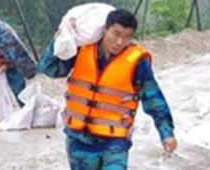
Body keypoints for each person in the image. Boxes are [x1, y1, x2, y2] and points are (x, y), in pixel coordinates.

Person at [38, 9, 177, 170]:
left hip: (115, 143)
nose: (119, 42)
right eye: (116, 34)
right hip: (79, 140)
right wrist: (62, 37)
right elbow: (49, 69)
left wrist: (166, 133)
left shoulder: (137, 61)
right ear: (105, 29)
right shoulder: (82, 49)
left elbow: (153, 98)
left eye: (126, 36)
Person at [0, 13, 38, 105]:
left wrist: (6, 65)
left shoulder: (5, 33)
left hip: (16, 63)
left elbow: (14, 53)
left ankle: (27, 109)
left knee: (19, 91)